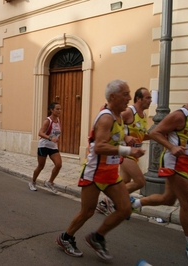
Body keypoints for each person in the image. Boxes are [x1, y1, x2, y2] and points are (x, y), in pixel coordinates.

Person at [56, 79, 144, 261]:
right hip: (95, 173)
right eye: (125, 94)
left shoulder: (117, 115)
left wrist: (126, 138)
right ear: (113, 96)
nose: (129, 97)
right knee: (87, 211)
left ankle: (97, 237)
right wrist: (128, 150)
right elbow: (99, 146)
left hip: (110, 173)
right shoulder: (106, 117)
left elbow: (112, 135)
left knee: (125, 209)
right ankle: (66, 238)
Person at [131, 88, 188, 265]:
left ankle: (135, 203)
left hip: (184, 165)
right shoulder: (179, 115)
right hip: (173, 164)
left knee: (168, 199)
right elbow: (155, 132)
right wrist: (171, 147)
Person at [96, 87, 152, 215]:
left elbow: (142, 135)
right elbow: (113, 122)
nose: (150, 100)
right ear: (139, 99)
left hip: (133, 153)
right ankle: (111, 200)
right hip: (125, 153)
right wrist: (126, 137)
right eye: (147, 98)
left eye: (150, 98)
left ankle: (104, 203)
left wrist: (158, 135)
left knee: (124, 182)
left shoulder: (144, 116)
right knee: (139, 182)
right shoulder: (128, 112)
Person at [28, 102, 62, 194]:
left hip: (53, 147)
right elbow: (40, 133)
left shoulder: (58, 120)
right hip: (43, 146)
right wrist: (51, 138)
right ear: (51, 110)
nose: (59, 111)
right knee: (41, 166)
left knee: (58, 165)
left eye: (60, 109)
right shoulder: (48, 121)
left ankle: (50, 182)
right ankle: (32, 182)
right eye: (57, 109)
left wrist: (56, 139)